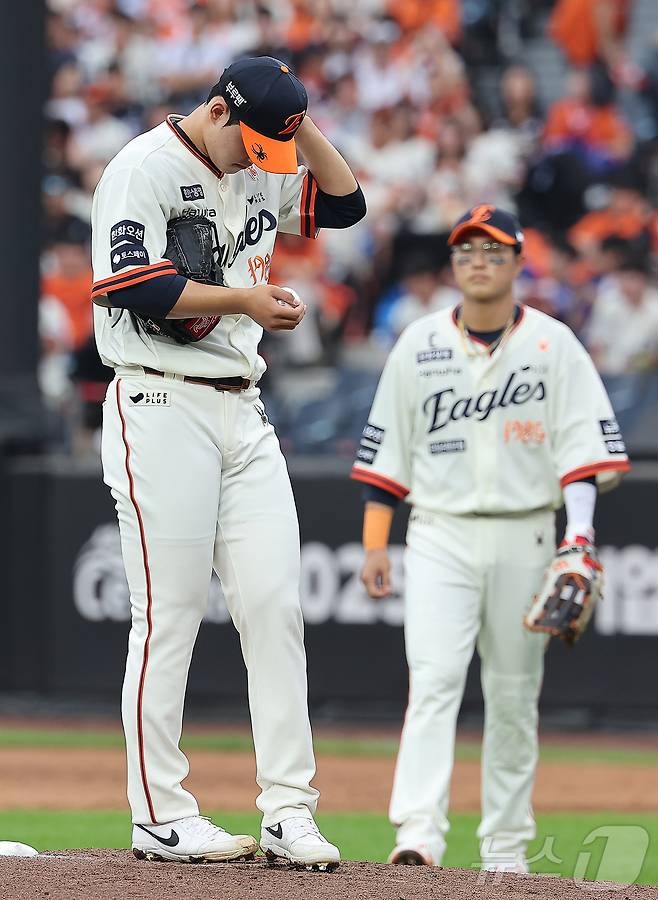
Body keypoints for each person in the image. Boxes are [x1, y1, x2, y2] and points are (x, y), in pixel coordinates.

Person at [90, 55, 365, 869]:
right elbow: (130, 287)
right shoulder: (142, 167)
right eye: (253, 138)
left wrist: (294, 120)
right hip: (159, 398)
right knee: (169, 615)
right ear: (216, 109)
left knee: (276, 606)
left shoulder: (260, 157)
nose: (261, 159)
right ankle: (159, 814)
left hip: (243, 407)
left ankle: (289, 811)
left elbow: (344, 203)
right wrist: (243, 299)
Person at [351, 205, 629, 871]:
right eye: (467, 251)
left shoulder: (553, 344)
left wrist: (579, 538)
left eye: (494, 251)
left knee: (512, 695)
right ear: (453, 264)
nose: (478, 262)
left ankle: (505, 847)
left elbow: (582, 450)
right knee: (434, 681)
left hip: (525, 532)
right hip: (438, 532)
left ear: (518, 262)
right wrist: (374, 542)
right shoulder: (419, 342)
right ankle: (418, 833)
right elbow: (387, 453)